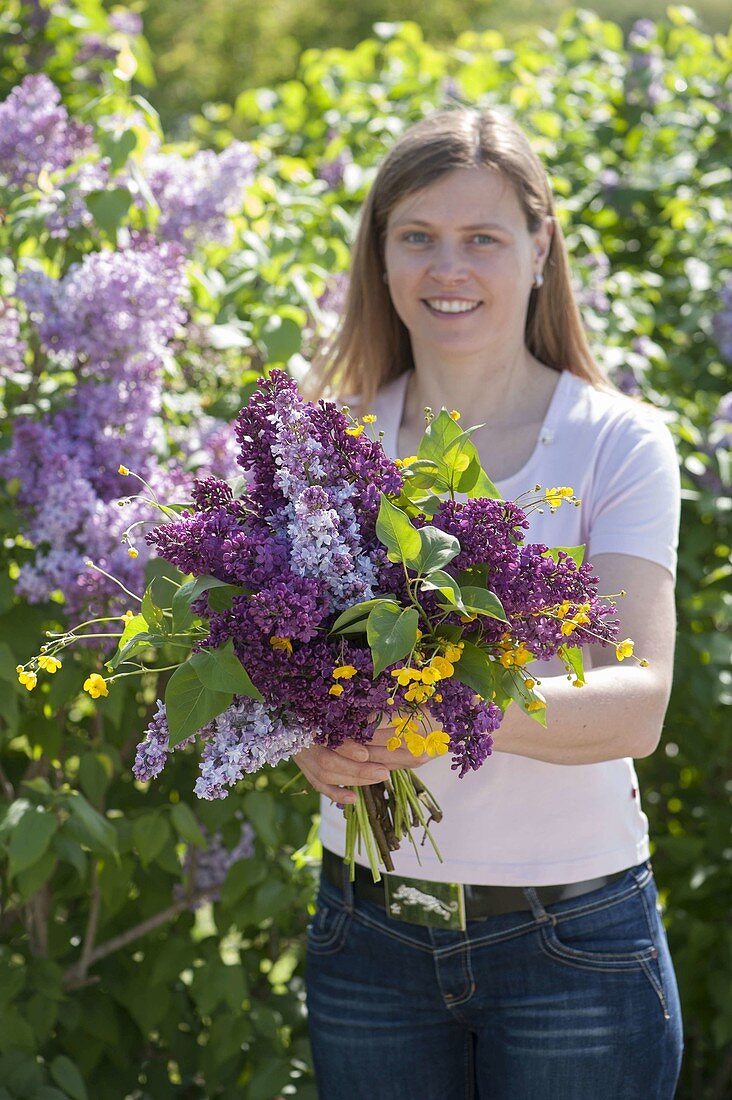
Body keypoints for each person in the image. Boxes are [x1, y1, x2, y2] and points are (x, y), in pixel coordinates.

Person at [294, 108, 683, 1099]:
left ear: (541, 247)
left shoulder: (617, 444)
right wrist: (311, 737)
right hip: (367, 929)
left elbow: (638, 701)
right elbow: (292, 658)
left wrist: (440, 714)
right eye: (416, 236)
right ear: (380, 256)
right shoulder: (331, 442)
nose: (446, 268)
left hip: (572, 945)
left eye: (482, 238)